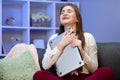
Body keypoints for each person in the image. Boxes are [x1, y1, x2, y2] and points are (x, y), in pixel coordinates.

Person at [33, 3, 114, 80]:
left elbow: (94, 69)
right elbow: (45, 65)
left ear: (77, 18)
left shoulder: (88, 37)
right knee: (38, 75)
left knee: (107, 72)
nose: (64, 14)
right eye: (62, 12)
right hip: (63, 78)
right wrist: (60, 45)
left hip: (85, 77)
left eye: (69, 11)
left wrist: (81, 51)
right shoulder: (53, 38)